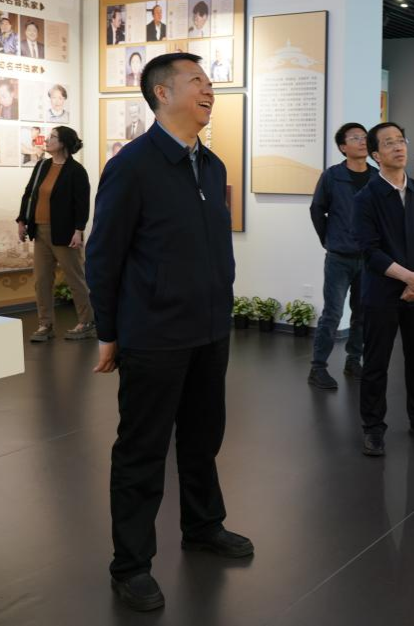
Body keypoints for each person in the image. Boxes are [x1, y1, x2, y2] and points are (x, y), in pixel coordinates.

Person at [87, 52, 251, 613]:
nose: (209, 89)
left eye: (209, 81)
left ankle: (203, 525)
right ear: (162, 93)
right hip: (153, 333)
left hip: (209, 330)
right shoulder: (132, 165)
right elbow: (104, 255)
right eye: (197, 80)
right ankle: (131, 565)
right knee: (142, 451)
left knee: (204, 439)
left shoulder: (212, 165)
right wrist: (109, 331)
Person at [353, 123, 414, 457]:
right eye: (388, 143)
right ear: (376, 155)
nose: (398, 147)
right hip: (382, 292)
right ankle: (373, 427)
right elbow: (370, 250)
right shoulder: (366, 197)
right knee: (376, 363)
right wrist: (410, 279)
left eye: (401, 140)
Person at [307, 122, 374, 390]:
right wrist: (329, 239)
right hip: (339, 257)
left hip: (368, 258)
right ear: (343, 147)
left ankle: (353, 360)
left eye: (364, 137)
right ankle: (318, 368)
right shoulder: (332, 176)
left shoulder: (376, 176)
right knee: (333, 313)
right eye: (355, 138)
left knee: (363, 313)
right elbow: (317, 209)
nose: (362, 141)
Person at [17, 126, 95, 343]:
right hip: (40, 231)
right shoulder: (42, 166)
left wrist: (79, 231)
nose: (47, 140)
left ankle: (87, 322)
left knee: (75, 279)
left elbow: (82, 204)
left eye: (52, 137)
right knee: (41, 281)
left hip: (65, 233)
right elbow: (29, 194)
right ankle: (46, 325)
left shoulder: (76, 171)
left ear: (63, 143)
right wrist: (22, 220)